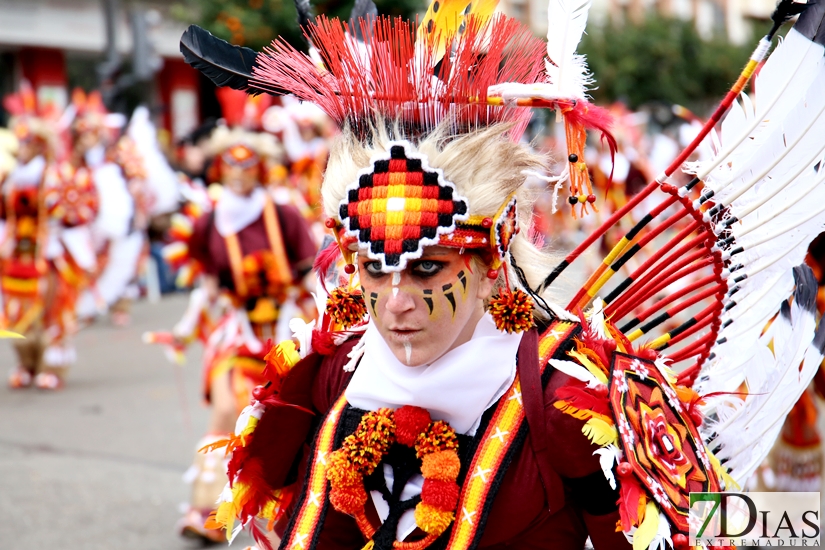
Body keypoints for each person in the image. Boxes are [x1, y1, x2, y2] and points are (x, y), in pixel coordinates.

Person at [180, 0, 825, 548]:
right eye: (374, 269)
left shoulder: (570, 401)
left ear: (493, 267)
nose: (395, 302)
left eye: (429, 267)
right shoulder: (329, 370)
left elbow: (726, 526)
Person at [168, 126, 317, 543]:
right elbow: (206, 281)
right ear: (220, 168)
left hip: (285, 328)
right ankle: (206, 510)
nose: (239, 173)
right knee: (225, 412)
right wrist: (185, 327)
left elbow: (309, 274)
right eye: (231, 165)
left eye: (248, 165)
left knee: (284, 418)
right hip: (237, 330)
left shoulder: (284, 213)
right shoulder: (209, 220)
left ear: (261, 169)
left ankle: (282, 507)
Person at [2, 84, 99, 390]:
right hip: (17, 252)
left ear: (41, 144)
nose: (23, 147)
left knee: (52, 307)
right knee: (17, 309)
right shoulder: (9, 179)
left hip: (50, 253)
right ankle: (26, 363)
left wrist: (61, 219)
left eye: (29, 141)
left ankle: (51, 366)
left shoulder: (58, 177)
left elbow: (80, 210)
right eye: (21, 141)